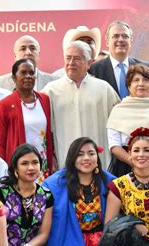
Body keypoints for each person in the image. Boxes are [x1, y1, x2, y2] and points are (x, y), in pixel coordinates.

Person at [42, 40, 120, 168]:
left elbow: (119, 121)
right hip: (65, 162)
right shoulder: (50, 90)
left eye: (77, 58)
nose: (71, 63)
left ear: (89, 63)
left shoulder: (104, 89)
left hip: (100, 163)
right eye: (68, 58)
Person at [42, 137, 115, 246]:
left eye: (91, 153)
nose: (86, 158)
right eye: (80, 154)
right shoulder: (53, 184)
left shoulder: (111, 182)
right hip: (70, 239)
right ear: (72, 157)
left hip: (101, 240)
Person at [0, 144, 62, 246]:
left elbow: (43, 234)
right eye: (24, 163)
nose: (31, 167)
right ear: (15, 168)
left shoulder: (46, 195)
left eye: (35, 162)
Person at [0, 58, 54, 182]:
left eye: (31, 73)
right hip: (18, 168)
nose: (28, 76)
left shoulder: (45, 100)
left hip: (42, 167)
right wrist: (3, 171)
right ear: (14, 78)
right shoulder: (4, 104)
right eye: (23, 72)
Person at [89, 20, 149, 99]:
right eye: (116, 36)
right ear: (107, 41)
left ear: (131, 41)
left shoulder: (146, 68)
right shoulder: (94, 70)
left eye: (125, 36)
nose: (121, 40)